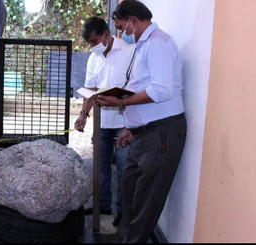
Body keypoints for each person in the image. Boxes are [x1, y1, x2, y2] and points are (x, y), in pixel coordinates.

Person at [94, 0, 187, 242]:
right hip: (144, 132)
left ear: (134, 22)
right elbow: (141, 85)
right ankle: (126, 238)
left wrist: (121, 103)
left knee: (146, 202)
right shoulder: (144, 45)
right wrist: (130, 126)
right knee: (131, 194)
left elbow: (161, 90)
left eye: (122, 27)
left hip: (162, 133)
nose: (121, 33)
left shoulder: (158, 44)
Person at [74, 16, 133, 227]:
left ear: (106, 35)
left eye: (94, 41)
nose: (92, 46)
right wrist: (83, 114)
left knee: (124, 167)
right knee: (101, 166)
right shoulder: (94, 58)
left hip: (124, 120)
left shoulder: (128, 52)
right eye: (89, 43)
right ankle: (103, 205)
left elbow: (135, 88)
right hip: (101, 121)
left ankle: (123, 212)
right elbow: (89, 89)